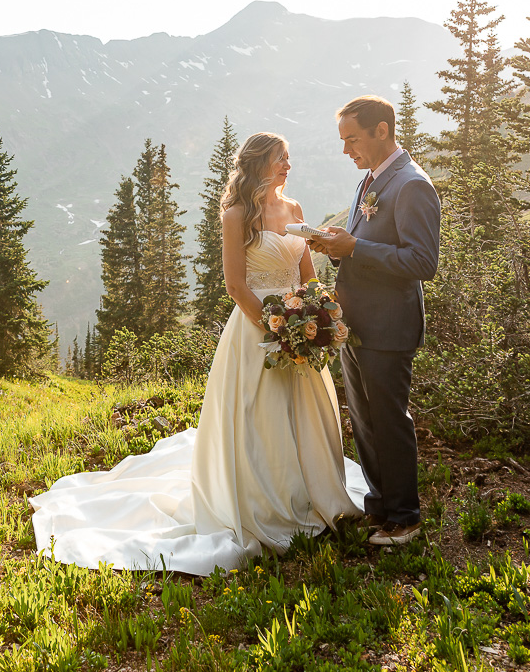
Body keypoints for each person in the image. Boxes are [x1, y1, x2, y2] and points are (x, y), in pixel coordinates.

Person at [29, 132, 365, 575]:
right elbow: (236, 287)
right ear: (259, 162)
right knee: (257, 415)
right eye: (280, 158)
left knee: (305, 414)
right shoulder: (237, 213)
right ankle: (262, 503)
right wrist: (275, 330)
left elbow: (305, 274)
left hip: (299, 325)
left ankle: (309, 495)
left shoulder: (295, 209)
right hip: (256, 329)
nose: (288, 164)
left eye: (289, 158)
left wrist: (313, 317)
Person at [311, 95, 440, 546]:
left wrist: (355, 250)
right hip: (356, 323)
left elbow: (423, 261)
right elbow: (365, 238)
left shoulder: (411, 185)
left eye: (352, 139)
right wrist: (337, 244)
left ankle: (405, 518)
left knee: (389, 420)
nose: (347, 150)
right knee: (365, 420)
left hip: (388, 325)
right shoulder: (371, 180)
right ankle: (379, 508)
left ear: (381, 131)